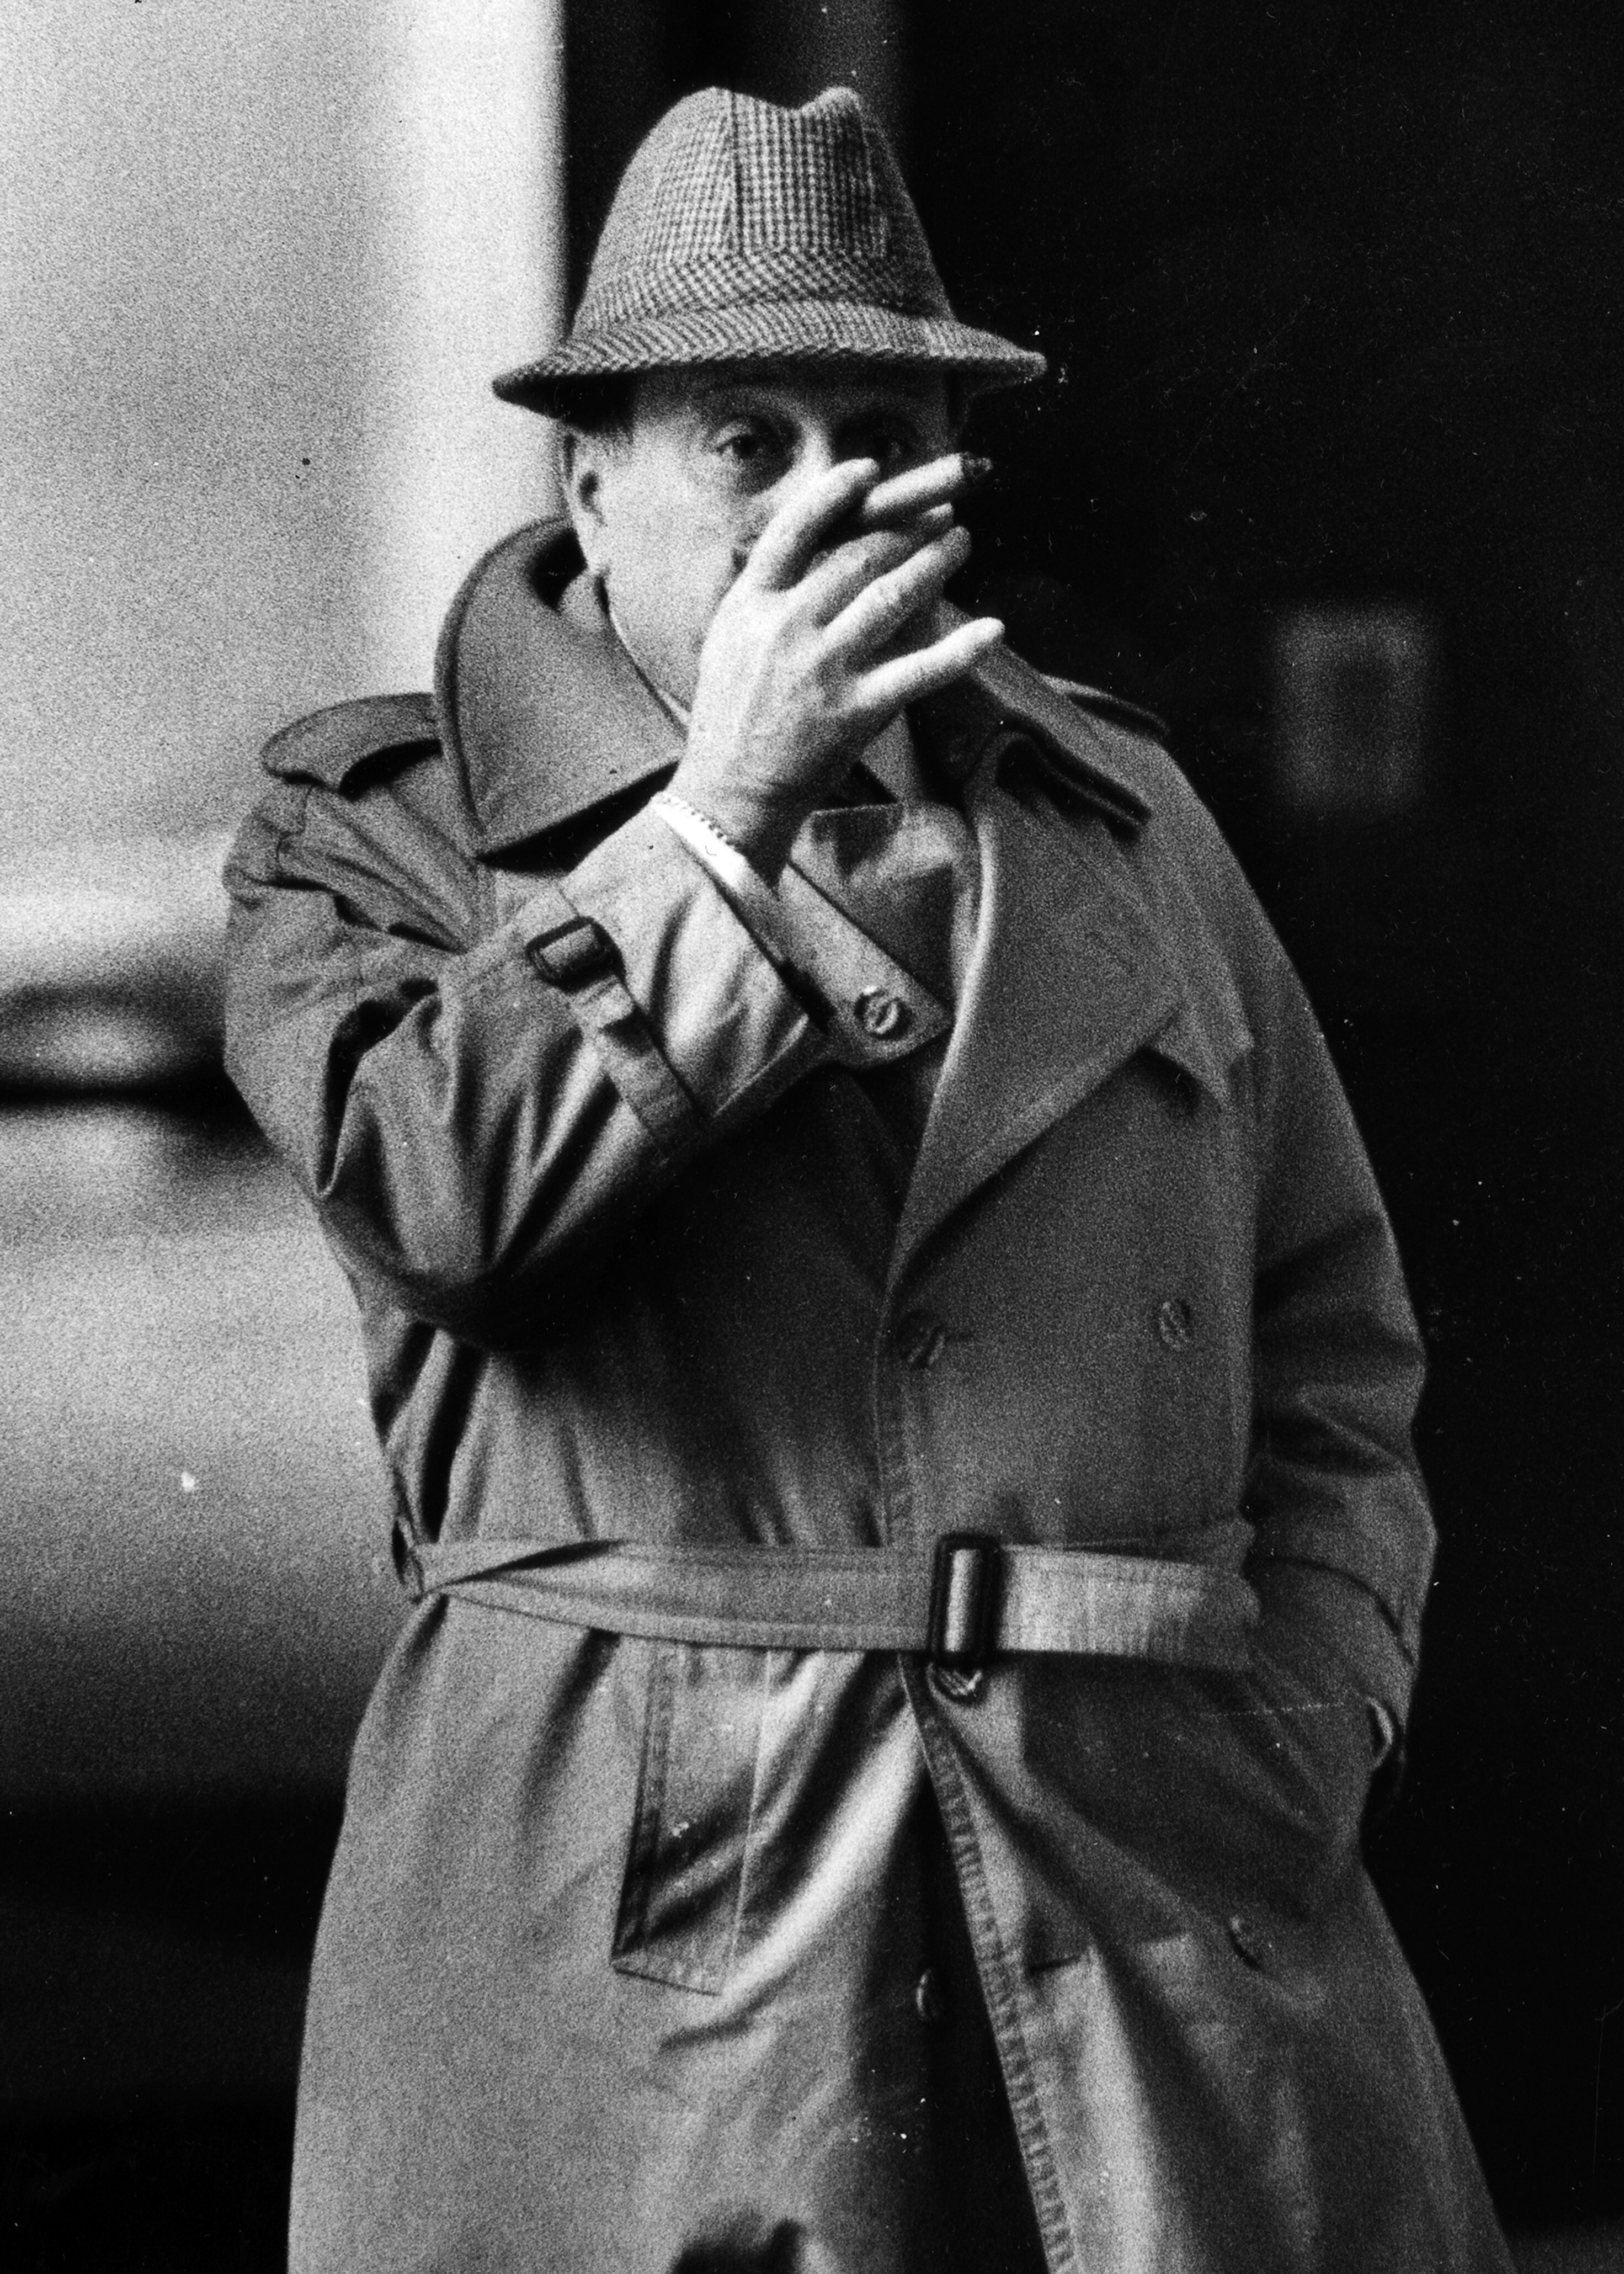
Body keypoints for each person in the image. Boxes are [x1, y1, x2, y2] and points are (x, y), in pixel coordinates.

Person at [223, 83, 1513, 2274]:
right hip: (634, 1930)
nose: (828, 496)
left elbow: (1333, 1339)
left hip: (1155, 1907)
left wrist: (1305, 1718)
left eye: (882, 430)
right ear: (592, 481)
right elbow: (441, 1188)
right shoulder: (374, 836)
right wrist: (717, 823)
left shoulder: (1121, 823)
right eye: (749, 432)